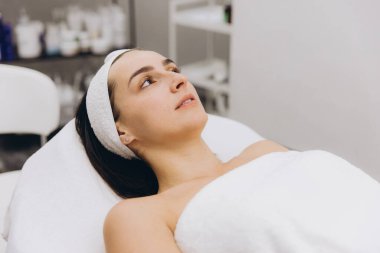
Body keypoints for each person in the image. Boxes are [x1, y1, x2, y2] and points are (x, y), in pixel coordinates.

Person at [75, 48, 380, 253]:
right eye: (147, 82)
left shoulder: (263, 151)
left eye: (173, 69)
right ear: (121, 132)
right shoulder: (141, 215)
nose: (178, 80)